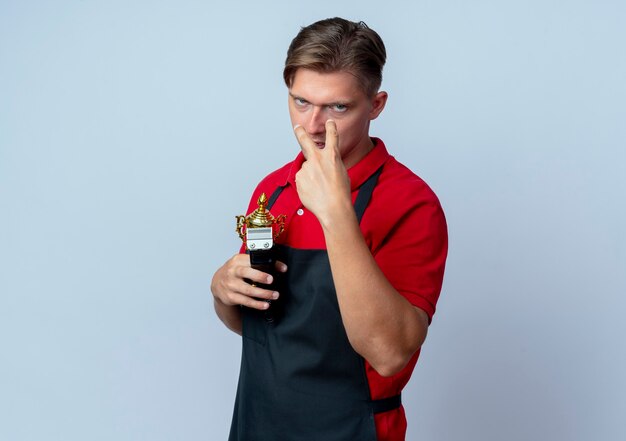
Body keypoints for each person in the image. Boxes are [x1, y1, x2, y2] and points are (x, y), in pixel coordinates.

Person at [211, 17, 448, 441]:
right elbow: (263, 326)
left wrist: (336, 212)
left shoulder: (410, 203)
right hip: (257, 422)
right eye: (301, 102)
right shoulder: (273, 189)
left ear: (376, 105)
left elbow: (389, 352)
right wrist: (223, 291)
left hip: (349, 429)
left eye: (338, 107)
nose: (314, 125)